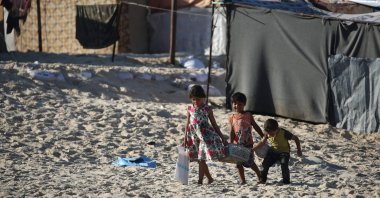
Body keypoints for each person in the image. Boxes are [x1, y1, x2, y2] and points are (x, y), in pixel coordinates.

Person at [184, 85, 227, 185]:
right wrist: (185, 138)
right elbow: (187, 124)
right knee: (200, 159)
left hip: (206, 137)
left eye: (198, 99)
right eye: (193, 99)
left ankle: (204, 179)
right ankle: (205, 179)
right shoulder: (190, 109)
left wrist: (222, 137)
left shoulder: (207, 109)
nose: (196, 102)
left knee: (201, 159)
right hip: (194, 137)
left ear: (203, 98)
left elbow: (214, 125)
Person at [229, 92, 265, 185]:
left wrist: (262, 136)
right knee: (238, 163)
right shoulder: (232, 117)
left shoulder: (248, 115)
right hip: (237, 144)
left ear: (244, 104)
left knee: (249, 162)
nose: (237, 106)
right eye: (235, 103)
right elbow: (232, 131)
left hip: (247, 143)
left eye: (240, 104)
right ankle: (243, 180)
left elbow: (256, 126)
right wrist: (230, 143)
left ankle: (259, 175)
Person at [257, 118, 303, 184]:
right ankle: (262, 179)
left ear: (276, 129)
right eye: (268, 133)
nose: (269, 135)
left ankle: (286, 181)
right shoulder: (267, 132)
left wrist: (299, 149)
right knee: (265, 164)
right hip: (273, 151)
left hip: (284, 152)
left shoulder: (284, 132)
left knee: (284, 165)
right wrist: (254, 149)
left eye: (271, 133)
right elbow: (262, 142)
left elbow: (296, 138)